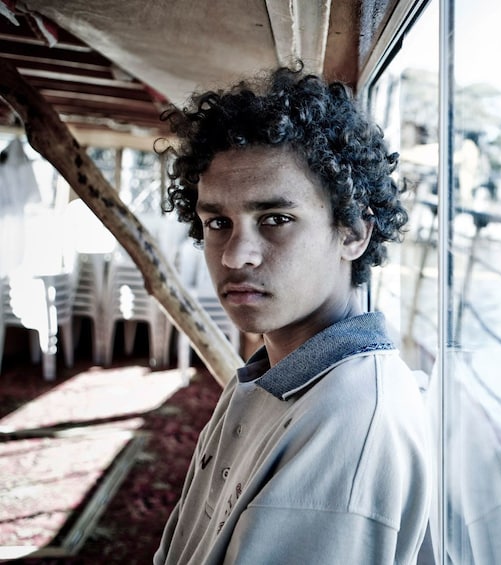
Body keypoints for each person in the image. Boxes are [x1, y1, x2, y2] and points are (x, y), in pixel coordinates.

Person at [154, 65, 430, 564]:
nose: (236, 256)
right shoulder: (276, 371)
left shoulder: (346, 428)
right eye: (218, 222)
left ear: (352, 234)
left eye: (276, 220)